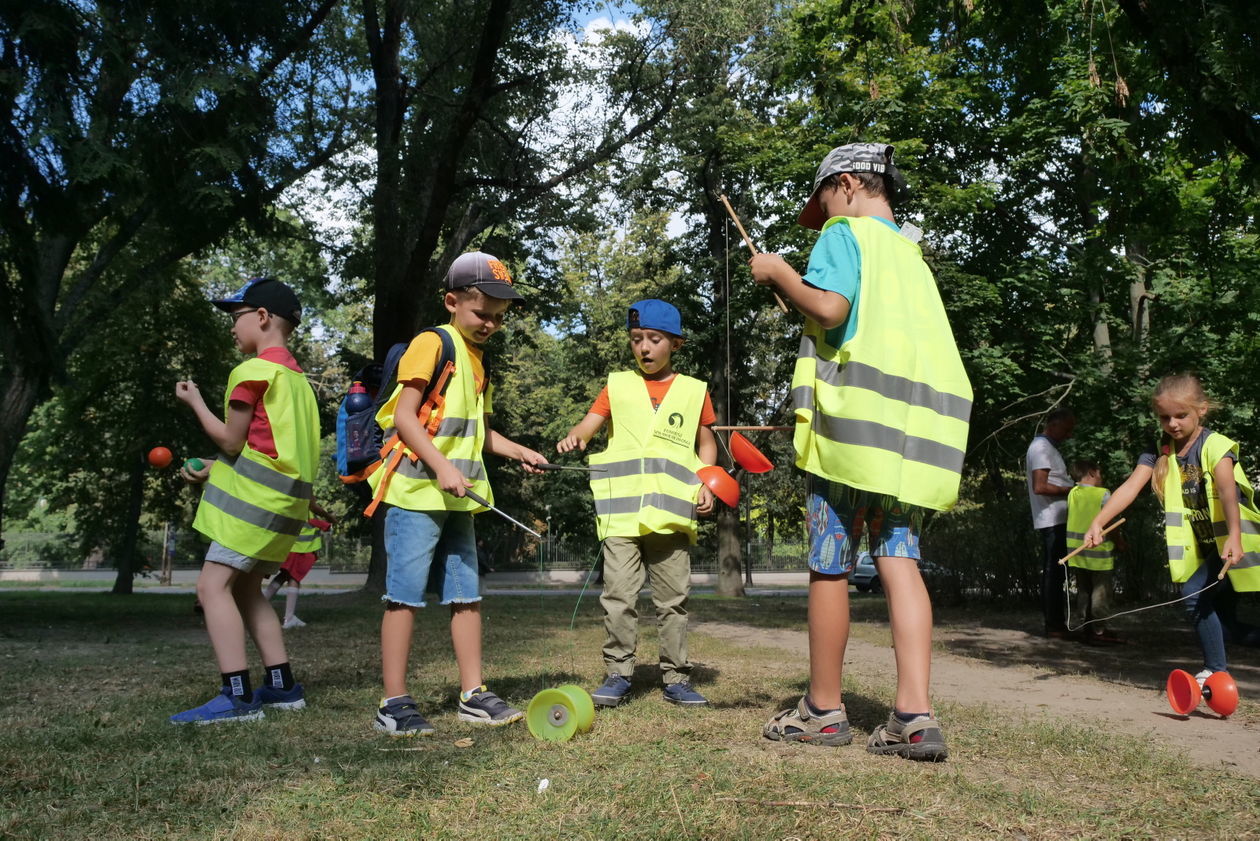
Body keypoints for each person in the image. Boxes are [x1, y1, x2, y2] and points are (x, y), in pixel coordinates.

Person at [749, 143, 971, 761]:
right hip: (909, 443)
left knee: (829, 563)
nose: (822, 216)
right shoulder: (911, 254)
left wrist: (780, 275)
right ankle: (914, 715)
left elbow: (830, 307)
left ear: (845, 184)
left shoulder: (844, 235)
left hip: (852, 436)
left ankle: (823, 710)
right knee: (901, 561)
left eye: (822, 202)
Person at [368, 251, 547, 736]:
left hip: (459, 499)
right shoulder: (433, 343)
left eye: (498, 317)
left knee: (467, 596)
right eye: (481, 313)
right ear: (452, 301)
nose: (490, 324)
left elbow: (480, 435)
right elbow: (405, 416)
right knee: (403, 598)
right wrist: (442, 465)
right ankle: (394, 702)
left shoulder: (479, 362)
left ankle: (473, 693)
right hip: (416, 493)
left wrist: (519, 451)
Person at [171, 277, 319, 723]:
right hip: (285, 512)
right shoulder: (299, 383)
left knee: (211, 587)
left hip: (250, 509)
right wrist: (213, 469)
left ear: (261, 317)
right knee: (250, 590)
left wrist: (195, 401)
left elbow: (233, 443)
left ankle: (236, 696)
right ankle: (282, 686)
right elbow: (271, 452)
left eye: (236, 318)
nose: (232, 328)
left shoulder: (252, 372)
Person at [556, 299, 718, 708]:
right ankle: (618, 673)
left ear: (675, 344)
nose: (644, 347)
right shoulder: (617, 385)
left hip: (671, 516)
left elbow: (706, 444)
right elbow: (588, 425)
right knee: (619, 596)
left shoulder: (694, 391)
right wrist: (576, 436)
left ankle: (676, 678)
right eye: (636, 339)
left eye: (654, 339)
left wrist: (707, 483)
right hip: (622, 516)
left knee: (673, 601)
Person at [1083, 374, 1260, 684]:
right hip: (1208, 547)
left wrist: (1233, 535)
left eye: (1181, 415)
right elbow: (1130, 488)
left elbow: (1228, 492)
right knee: (1228, 627)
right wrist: (1099, 521)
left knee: (1193, 596)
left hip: (1234, 543)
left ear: (1202, 410)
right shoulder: (1160, 450)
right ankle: (1217, 669)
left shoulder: (1215, 445)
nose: (1173, 423)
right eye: (1165, 417)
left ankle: (1216, 673)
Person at [1026, 408, 1076, 638]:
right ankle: (1053, 625)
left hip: (1059, 517)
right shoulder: (1041, 449)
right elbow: (1040, 486)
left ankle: (1057, 622)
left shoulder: (1048, 448)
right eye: (1066, 430)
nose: (1068, 435)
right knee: (1054, 572)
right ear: (1053, 425)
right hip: (1051, 519)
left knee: (1059, 572)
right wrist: (1072, 490)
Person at [1064, 460, 1120, 644]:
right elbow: (1111, 522)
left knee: (1083, 591)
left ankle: (1084, 627)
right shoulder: (1102, 494)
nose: (1102, 477)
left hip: (1077, 554)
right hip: (1099, 553)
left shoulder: (1073, 493)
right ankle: (1098, 630)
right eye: (1100, 473)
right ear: (1092, 473)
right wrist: (1120, 542)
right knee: (1100, 593)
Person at [264, 511, 333, 629]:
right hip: (300, 550)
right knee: (294, 578)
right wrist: (329, 522)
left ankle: (255, 605)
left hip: (290, 548)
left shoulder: (293, 507)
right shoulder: (306, 509)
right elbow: (318, 523)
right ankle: (289, 618)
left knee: (283, 576)